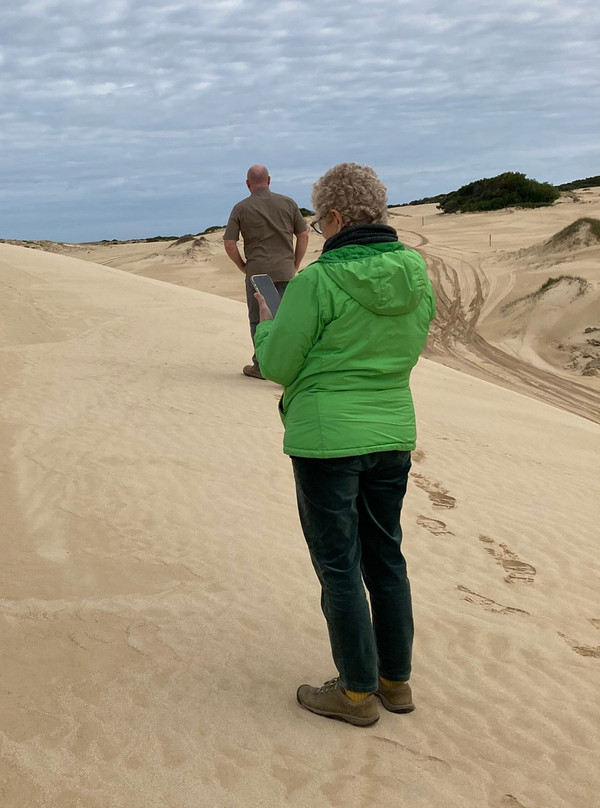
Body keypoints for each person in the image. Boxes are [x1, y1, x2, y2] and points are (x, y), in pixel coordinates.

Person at [252, 162, 436, 726]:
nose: (320, 229)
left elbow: (278, 362)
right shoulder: (416, 271)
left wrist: (266, 323)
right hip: (392, 432)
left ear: (334, 218)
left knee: (339, 564)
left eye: (319, 221)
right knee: (387, 556)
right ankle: (394, 681)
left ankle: (355, 692)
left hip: (327, 439)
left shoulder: (317, 280)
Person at [223, 164, 309, 379]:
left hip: (258, 273)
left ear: (247, 184)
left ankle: (261, 365)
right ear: (269, 180)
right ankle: (291, 363)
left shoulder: (241, 208)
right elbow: (304, 235)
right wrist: (295, 263)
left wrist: (243, 266)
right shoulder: (288, 203)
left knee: (259, 319)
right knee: (287, 318)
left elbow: (229, 242)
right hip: (285, 270)